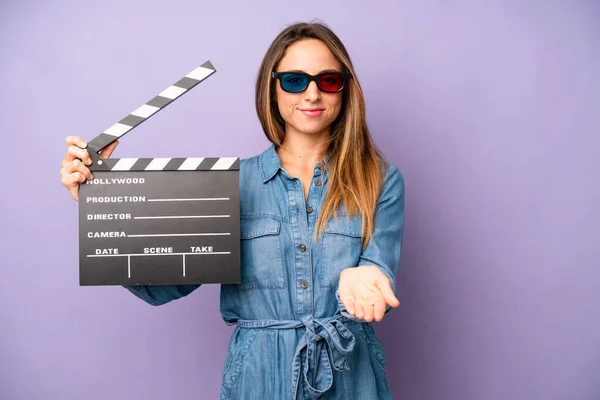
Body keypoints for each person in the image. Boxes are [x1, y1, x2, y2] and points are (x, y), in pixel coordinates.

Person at [60, 21, 405, 400]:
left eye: (328, 81)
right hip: (258, 375)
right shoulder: (231, 184)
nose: (311, 94)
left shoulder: (379, 180)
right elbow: (158, 287)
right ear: (272, 88)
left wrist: (367, 280)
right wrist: (98, 199)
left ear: (345, 90)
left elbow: (379, 272)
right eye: (294, 80)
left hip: (350, 374)